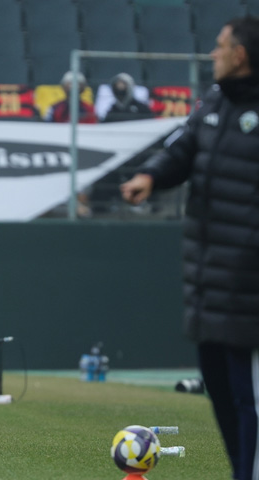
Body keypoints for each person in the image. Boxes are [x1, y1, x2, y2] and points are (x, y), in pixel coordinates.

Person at [120, 16, 259, 480]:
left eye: (220, 45)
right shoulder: (216, 100)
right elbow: (183, 147)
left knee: (249, 397)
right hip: (209, 276)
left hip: (248, 283)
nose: (212, 53)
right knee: (221, 391)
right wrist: (151, 175)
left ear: (241, 54)